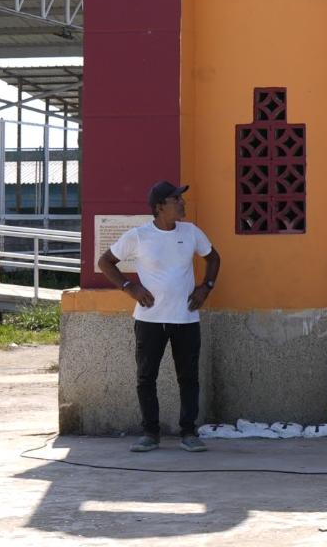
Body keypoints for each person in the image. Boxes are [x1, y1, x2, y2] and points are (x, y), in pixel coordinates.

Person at [97, 181, 221, 453]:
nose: (182, 203)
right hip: (150, 320)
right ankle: (150, 433)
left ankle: (188, 432)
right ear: (159, 207)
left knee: (188, 378)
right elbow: (105, 262)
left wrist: (206, 288)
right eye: (176, 199)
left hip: (186, 319)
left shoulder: (191, 232)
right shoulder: (138, 236)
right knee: (146, 377)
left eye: (181, 199)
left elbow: (214, 259)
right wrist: (130, 287)